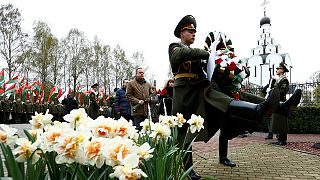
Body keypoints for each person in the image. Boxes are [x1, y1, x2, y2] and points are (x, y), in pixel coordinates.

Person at [169, 15, 285, 179]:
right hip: (184, 96)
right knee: (185, 134)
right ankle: (188, 170)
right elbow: (179, 55)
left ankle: (263, 109)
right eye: (190, 31)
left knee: (225, 101)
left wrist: (231, 69)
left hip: (199, 91)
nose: (193, 34)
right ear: (182, 33)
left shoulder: (195, 53)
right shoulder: (174, 46)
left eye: (195, 32)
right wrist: (206, 53)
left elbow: (208, 70)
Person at [265, 62, 291, 145]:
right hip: (277, 102)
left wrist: (272, 91)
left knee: (281, 120)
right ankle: (280, 139)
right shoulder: (278, 80)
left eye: (278, 68)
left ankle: (282, 140)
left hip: (281, 102)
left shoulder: (284, 80)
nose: (276, 70)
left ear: (282, 70)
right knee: (277, 120)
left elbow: (282, 92)